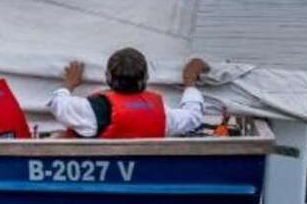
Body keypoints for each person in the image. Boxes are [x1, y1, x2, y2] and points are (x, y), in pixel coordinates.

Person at [49, 48, 208, 138]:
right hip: (144, 173)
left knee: (61, 136)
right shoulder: (163, 114)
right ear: (146, 78)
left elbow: (59, 105)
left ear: (107, 77)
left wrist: (68, 85)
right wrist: (190, 81)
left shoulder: (93, 110)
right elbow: (192, 117)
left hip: (104, 176)